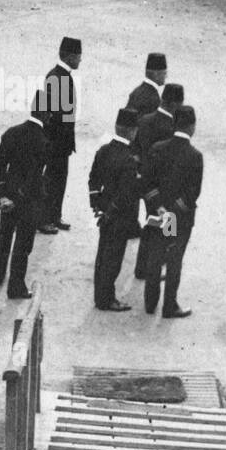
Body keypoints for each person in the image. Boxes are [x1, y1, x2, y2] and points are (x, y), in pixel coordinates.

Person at [141, 105, 203, 318]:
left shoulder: (157, 148)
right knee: (174, 260)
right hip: (179, 218)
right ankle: (169, 306)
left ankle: (150, 304)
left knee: (155, 256)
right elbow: (192, 194)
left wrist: (159, 207)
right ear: (192, 127)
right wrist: (172, 213)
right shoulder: (195, 156)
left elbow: (147, 183)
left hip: (157, 213)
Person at [0, 106, 49, 300]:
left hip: (8, 193)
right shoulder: (43, 141)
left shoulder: (11, 133)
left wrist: (2, 193)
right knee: (23, 244)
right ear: (47, 115)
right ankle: (16, 286)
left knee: (5, 235)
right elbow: (35, 174)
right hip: (29, 199)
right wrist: (22, 195)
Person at [89, 108, 141, 311]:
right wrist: (111, 211)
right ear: (132, 131)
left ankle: (100, 297)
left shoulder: (103, 151)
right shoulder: (129, 159)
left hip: (104, 212)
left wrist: (97, 206)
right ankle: (106, 299)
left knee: (102, 256)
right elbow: (125, 193)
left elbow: (93, 180)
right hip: (119, 216)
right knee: (113, 259)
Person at [132, 82, 183, 278]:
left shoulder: (145, 120)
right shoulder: (170, 127)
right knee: (167, 225)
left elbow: (135, 148)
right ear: (176, 104)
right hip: (162, 185)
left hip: (144, 181)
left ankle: (142, 266)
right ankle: (156, 264)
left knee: (151, 223)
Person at [35, 36, 81, 233]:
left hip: (62, 142)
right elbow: (53, 115)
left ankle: (54, 215)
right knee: (51, 180)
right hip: (55, 142)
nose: (80, 60)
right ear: (69, 56)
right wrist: (57, 142)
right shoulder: (57, 76)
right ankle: (43, 219)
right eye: (78, 56)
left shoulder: (61, 75)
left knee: (59, 180)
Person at [125, 52, 167, 120]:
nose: (166, 76)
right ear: (156, 75)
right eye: (164, 73)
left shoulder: (136, 91)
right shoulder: (153, 98)